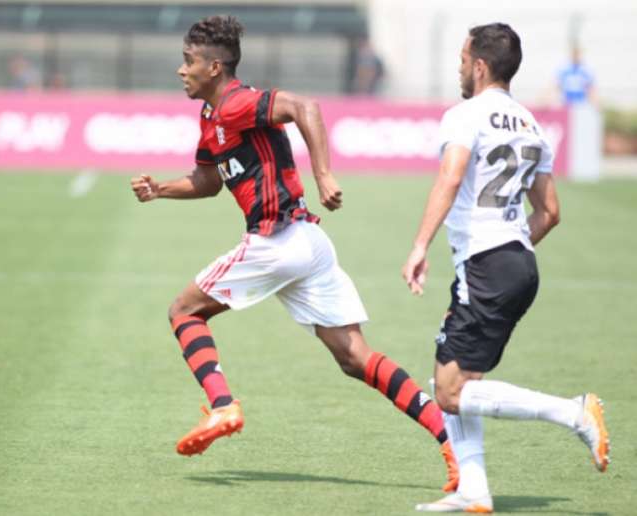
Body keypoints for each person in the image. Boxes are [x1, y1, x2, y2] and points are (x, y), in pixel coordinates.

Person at [131, 15, 458, 491]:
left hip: (276, 242)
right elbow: (207, 181)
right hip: (309, 245)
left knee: (183, 312)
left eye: (189, 61)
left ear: (215, 67)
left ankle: (223, 405)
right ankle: (452, 444)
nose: (181, 70)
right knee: (355, 357)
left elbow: (306, 106)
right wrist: (161, 189)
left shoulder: (239, 102)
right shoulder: (210, 118)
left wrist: (323, 174)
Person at [401, 23, 610, 513]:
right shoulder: (532, 124)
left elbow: (451, 179)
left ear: (478, 65)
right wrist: (511, 247)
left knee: (450, 392)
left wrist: (419, 246)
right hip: (517, 263)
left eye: (462, 57)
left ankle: (575, 413)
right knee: (449, 377)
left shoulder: (465, 115)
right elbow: (550, 212)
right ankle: (473, 490)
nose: (458, 65)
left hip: (488, 267)